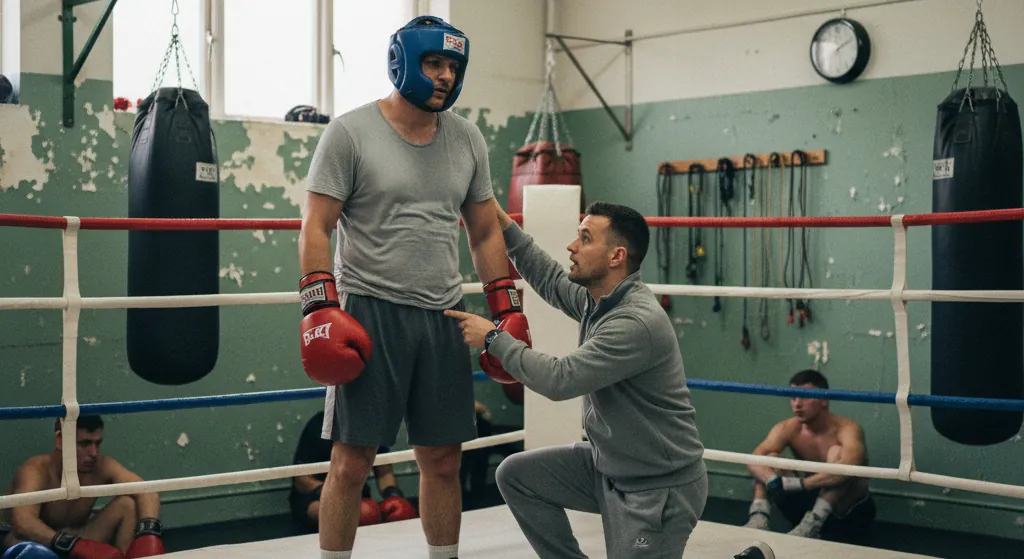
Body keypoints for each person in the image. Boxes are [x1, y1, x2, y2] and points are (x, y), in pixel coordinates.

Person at [296, 15, 529, 559]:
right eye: (434, 63)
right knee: (352, 462)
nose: (446, 76)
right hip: (370, 312)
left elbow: (485, 229)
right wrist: (320, 307)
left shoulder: (467, 138)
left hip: (446, 315)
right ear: (403, 62)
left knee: (442, 459)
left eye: (453, 66)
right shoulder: (350, 132)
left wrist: (505, 307)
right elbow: (316, 225)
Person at [445, 201, 708, 559]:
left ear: (616, 256)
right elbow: (551, 280)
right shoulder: (597, 300)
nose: (572, 246)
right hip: (607, 468)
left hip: (658, 488)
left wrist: (494, 339)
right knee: (517, 476)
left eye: (585, 238)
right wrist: (502, 221)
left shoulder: (634, 322)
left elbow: (560, 380)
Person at [743, 369, 876, 542]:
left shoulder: (848, 429)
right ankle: (759, 517)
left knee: (837, 455)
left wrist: (801, 483)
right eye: (793, 397)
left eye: (804, 396)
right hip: (807, 504)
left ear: (824, 400)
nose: (797, 404)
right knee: (769, 459)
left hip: (846, 511)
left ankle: (814, 522)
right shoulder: (788, 428)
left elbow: (849, 467)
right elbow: (754, 459)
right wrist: (772, 479)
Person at [2, 415, 164, 558]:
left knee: (128, 503)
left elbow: (147, 491)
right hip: (40, 545)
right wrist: (73, 545)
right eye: (85, 443)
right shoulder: (36, 469)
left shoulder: (101, 466)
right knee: (25, 547)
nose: (93, 453)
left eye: (97, 443)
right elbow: (22, 522)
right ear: (60, 440)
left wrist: (149, 535)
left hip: (78, 539)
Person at [289, 411, 416, 534]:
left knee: (372, 513)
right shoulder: (320, 425)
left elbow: (384, 472)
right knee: (336, 512)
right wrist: (334, 493)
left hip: (357, 496)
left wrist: (393, 495)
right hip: (317, 497)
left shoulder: (372, 427)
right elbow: (302, 480)